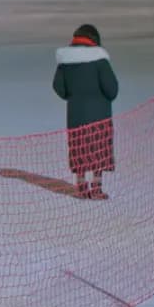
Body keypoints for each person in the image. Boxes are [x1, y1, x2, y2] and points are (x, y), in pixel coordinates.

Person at [52, 24, 119, 199]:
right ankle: (96, 187)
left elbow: (58, 86)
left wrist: (72, 97)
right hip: (100, 115)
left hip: (76, 115)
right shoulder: (100, 61)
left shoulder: (65, 62)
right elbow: (112, 89)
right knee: (98, 149)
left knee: (79, 148)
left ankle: (81, 186)